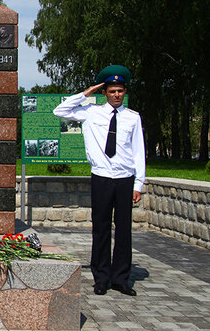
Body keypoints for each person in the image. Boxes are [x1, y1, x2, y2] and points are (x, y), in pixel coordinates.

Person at [53, 65, 145, 296]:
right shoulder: (91, 112)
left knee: (124, 230)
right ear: (104, 92)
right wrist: (86, 93)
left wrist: (138, 184)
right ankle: (102, 278)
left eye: (120, 91)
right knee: (101, 228)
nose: (116, 95)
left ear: (125, 92)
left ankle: (121, 279)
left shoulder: (132, 118)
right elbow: (59, 110)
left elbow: (138, 152)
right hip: (102, 177)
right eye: (112, 91)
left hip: (125, 178)